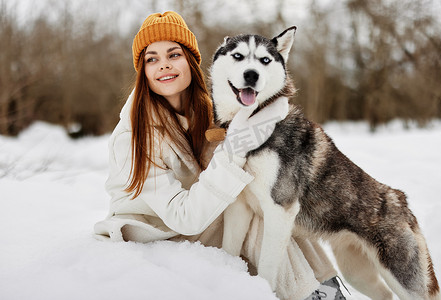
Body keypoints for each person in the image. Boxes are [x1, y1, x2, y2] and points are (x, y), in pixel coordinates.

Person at [94, 11, 345, 300]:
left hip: (199, 214)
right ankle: (305, 293)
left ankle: (325, 287)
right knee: (258, 220)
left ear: (191, 60)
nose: (164, 65)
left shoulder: (212, 109)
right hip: (156, 231)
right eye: (152, 59)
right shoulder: (133, 135)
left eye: (173, 54)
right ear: (143, 71)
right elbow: (182, 217)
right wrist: (235, 150)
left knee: (272, 204)